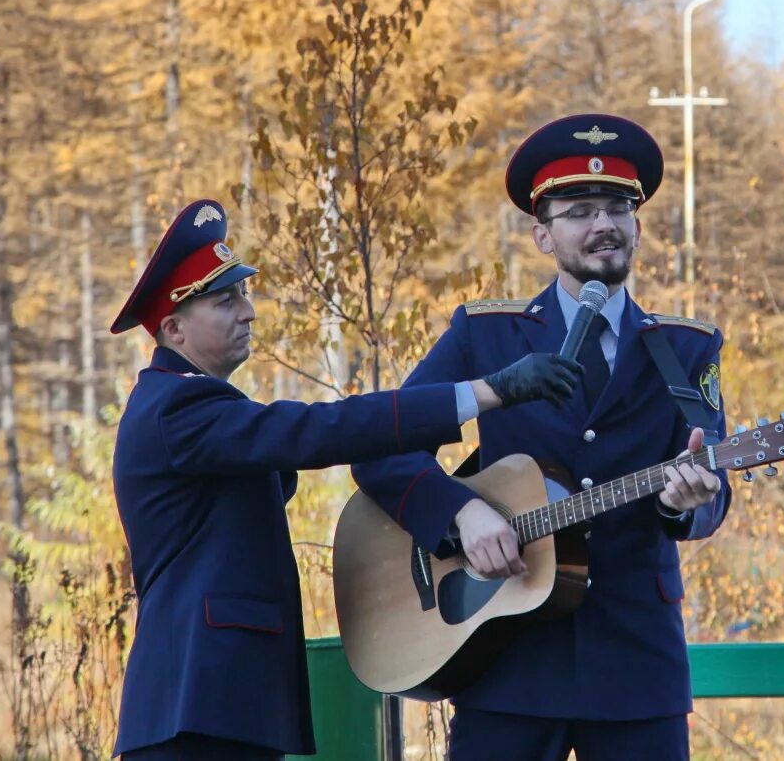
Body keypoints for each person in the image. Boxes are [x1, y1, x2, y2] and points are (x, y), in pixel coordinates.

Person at [107, 198, 582, 761]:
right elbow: (321, 430)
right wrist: (486, 392)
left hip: (218, 703)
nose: (248, 312)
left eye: (244, 293)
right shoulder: (175, 409)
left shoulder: (196, 405)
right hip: (194, 705)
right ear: (174, 328)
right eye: (224, 300)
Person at [351, 114, 731, 761]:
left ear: (638, 225)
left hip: (636, 667)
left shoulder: (687, 348)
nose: (603, 224)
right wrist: (460, 513)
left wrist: (685, 504)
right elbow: (382, 444)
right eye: (580, 210)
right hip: (505, 661)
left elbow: (712, 492)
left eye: (618, 207)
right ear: (542, 233)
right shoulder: (487, 334)